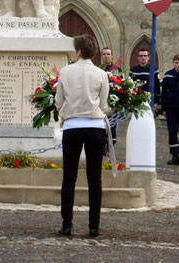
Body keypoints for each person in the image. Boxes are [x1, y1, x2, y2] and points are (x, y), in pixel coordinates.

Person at [55, 34, 110, 238]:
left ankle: (67, 225)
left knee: (69, 177)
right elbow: (104, 105)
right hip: (95, 126)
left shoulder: (65, 72)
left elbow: (59, 102)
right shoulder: (100, 74)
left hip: (72, 126)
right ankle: (93, 227)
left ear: (78, 51)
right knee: (94, 179)